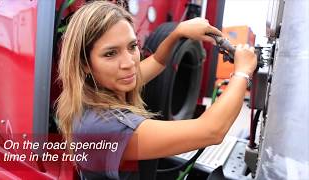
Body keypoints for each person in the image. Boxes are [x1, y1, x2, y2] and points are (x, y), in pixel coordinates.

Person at [56, 1, 257, 179]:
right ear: (84, 64)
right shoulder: (102, 126)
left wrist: (179, 32)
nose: (129, 63)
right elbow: (211, 131)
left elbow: (158, 61)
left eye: (132, 46)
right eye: (110, 53)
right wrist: (242, 72)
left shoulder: (103, 87)